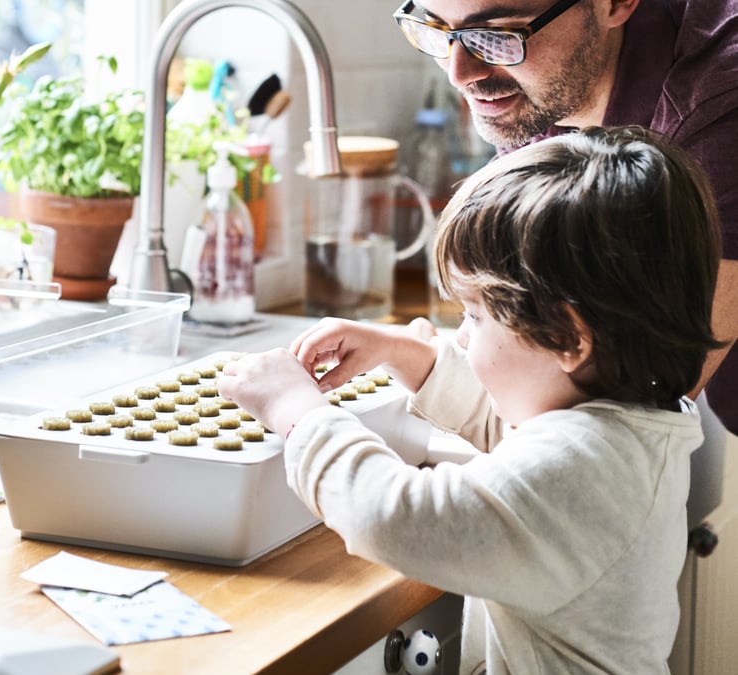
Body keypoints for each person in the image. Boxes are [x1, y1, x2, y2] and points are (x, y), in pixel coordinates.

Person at [219, 127, 724, 675]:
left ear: (569, 339)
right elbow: (516, 426)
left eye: (475, 317)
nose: (461, 335)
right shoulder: (629, 424)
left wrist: (297, 412)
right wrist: (408, 355)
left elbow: (392, 517)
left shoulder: (582, 471)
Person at [380, 0, 738, 433]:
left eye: (496, 35)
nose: (460, 73)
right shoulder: (543, 72)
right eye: (436, 27)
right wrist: (412, 359)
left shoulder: (719, 98)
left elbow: (630, 413)